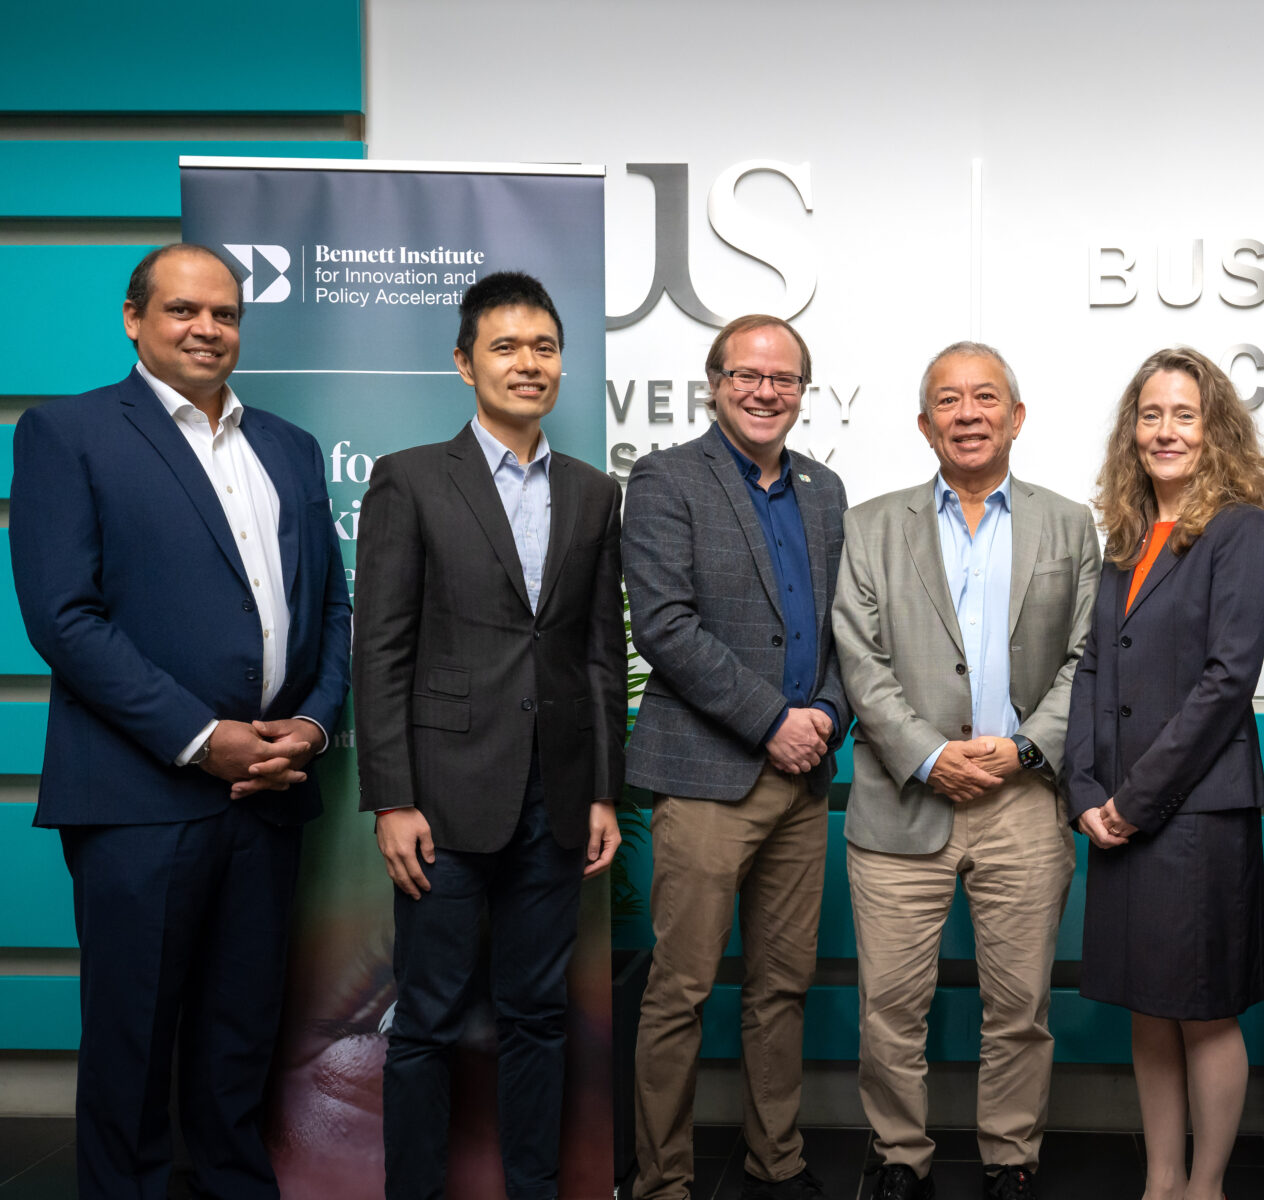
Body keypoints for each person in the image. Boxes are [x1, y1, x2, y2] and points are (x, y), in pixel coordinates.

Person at [8, 243, 352, 1198]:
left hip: (272, 792)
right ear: (134, 320)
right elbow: (63, 618)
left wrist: (312, 728)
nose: (209, 329)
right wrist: (205, 738)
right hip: (139, 798)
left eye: (227, 314)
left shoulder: (287, 445)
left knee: (241, 1033)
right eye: (183, 312)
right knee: (134, 1038)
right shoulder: (66, 433)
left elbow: (329, 608)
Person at [354, 271, 627, 1200]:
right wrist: (392, 797)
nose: (528, 364)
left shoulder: (593, 494)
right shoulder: (411, 479)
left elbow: (599, 653)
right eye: (506, 347)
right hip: (442, 798)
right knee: (426, 1019)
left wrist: (601, 791)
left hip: (556, 800)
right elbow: (379, 650)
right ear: (464, 363)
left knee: (538, 1016)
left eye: (544, 348)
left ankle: (534, 1187)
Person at [833, 341, 1101, 1200]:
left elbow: (1089, 659)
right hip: (902, 799)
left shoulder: (1069, 523)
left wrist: (1024, 748)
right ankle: (899, 1159)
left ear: (1017, 418)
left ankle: (1010, 1159)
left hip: (1024, 800)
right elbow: (859, 659)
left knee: (1020, 1008)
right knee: (890, 1009)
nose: (968, 413)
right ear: (924, 425)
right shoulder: (872, 525)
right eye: (948, 401)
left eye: (987, 397)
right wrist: (928, 754)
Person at [623, 314, 848, 1200]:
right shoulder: (667, 478)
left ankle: (776, 1160)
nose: (765, 391)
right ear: (714, 382)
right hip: (709, 777)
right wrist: (771, 720)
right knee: (679, 993)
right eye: (748, 375)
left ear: (801, 391)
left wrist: (827, 712)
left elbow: (846, 627)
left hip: (805, 779)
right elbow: (666, 626)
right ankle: (664, 1180)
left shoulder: (826, 491)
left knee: (780, 989)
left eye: (784, 379)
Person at [1064, 347, 1264, 1200]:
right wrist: (1083, 790)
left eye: (1184, 414)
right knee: (1149, 1009)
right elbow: (1090, 669)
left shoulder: (1240, 528)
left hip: (1192, 814)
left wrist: (1134, 801)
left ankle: (1207, 1187)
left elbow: (1230, 680)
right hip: (1118, 811)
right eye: (1151, 414)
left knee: (1201, 1007)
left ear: (1214, 426)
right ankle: (1160, 1182)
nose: (1165, 430)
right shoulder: (1124, 533)